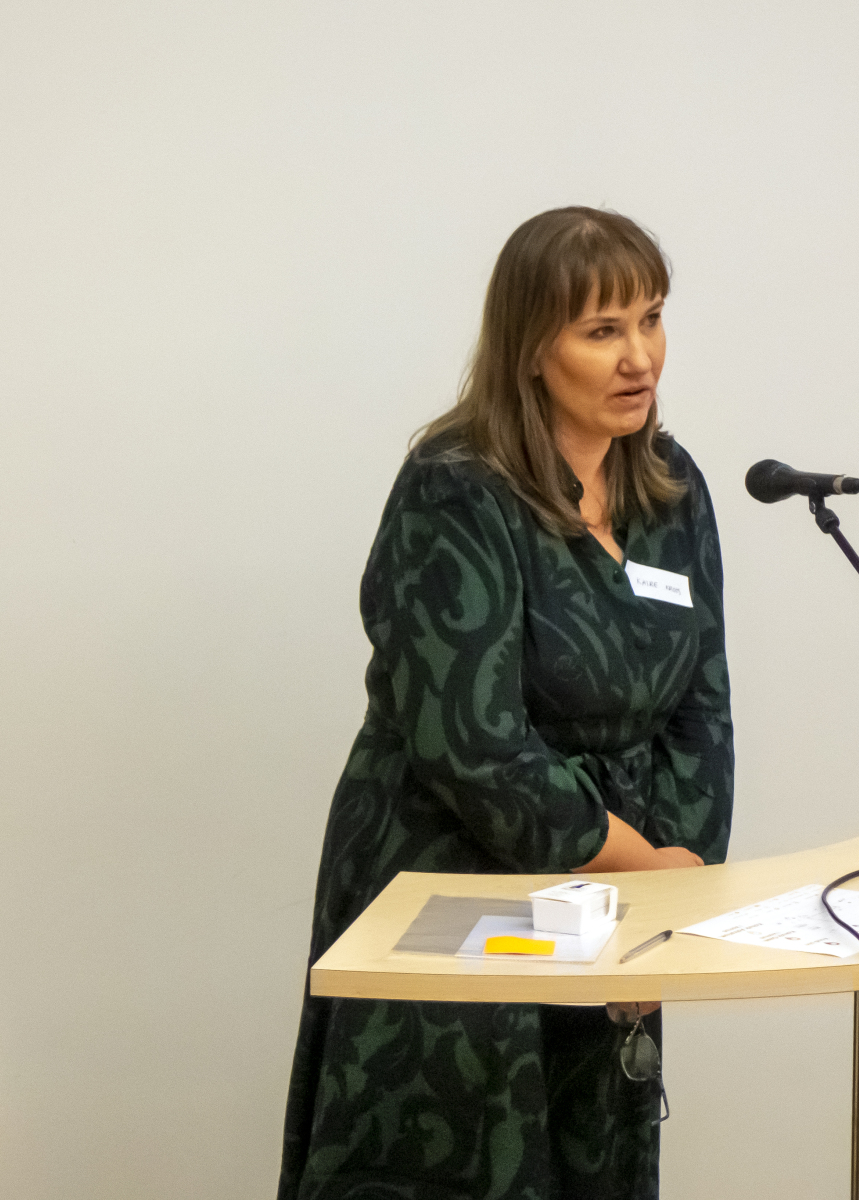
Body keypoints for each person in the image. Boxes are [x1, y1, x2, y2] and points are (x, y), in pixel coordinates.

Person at [278, 208, 733, 1200]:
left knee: (593, 1159)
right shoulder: (456, 490)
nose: (639, 357)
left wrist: (681, 886)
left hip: (620, 895)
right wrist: (644, 868)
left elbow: (703, 710)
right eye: (602, 330)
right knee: (460, 1165)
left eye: (651, 319)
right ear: (531, 348)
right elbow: (471, 743)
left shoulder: (672, 486)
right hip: (458, 886)